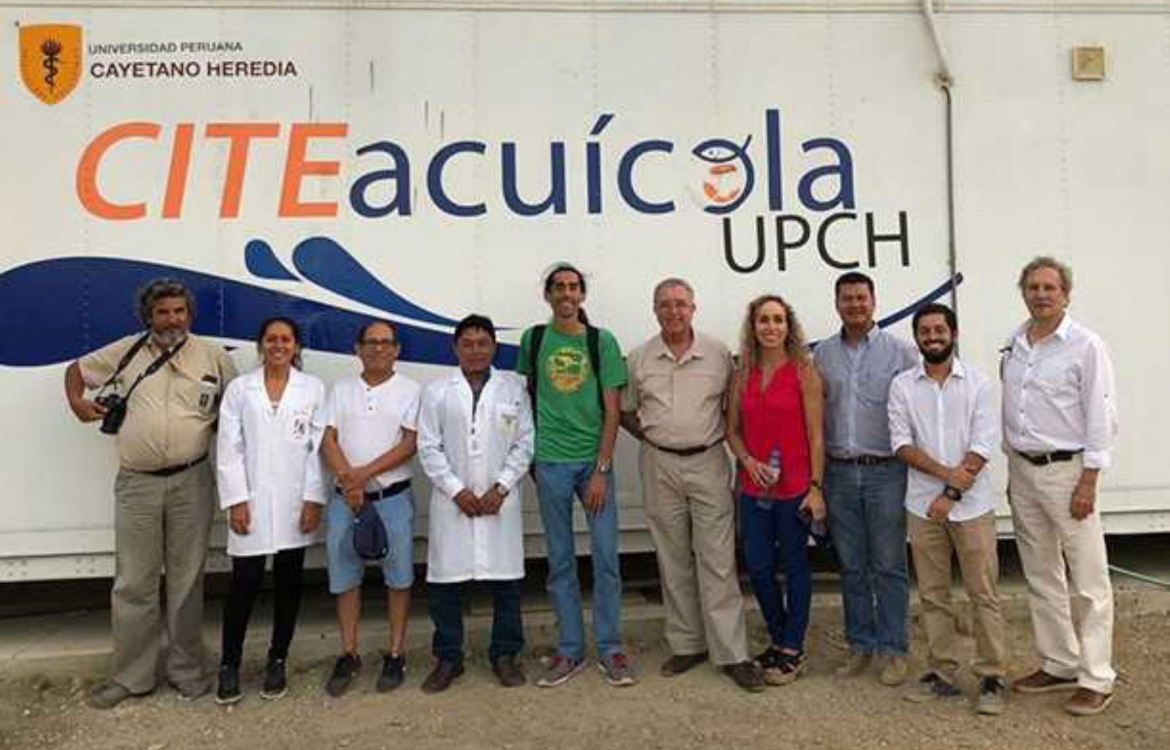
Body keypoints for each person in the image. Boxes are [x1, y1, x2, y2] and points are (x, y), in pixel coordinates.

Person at [63, 278, 237, 709]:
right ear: (149, 316)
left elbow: (234, 413)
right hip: (137, 483)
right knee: (133, 584)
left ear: (189, 315)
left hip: (192, 481)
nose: (172, 319)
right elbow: (76, 372)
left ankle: (186, 670)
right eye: (163, 312)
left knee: (186, 581)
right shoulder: (125, 351)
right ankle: (132, 677)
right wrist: (77, 402)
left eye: (179, 311)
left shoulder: (213, 357)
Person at [621, 279, 764, 692]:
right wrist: (654, 437)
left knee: (717, 560)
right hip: (659, 463)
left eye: (681, 304)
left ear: (693, 308)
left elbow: (733, 409)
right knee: (672, 557)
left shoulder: (717, 354)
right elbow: (627, 410)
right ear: (655, 310)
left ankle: (731, 653)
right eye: (665, 305)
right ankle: (688, 644)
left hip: (708, 462)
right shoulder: (639, 358)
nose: (674, 311)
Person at [1002, 257, 1118, 716]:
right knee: (1041, 572)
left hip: (1068, 473)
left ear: (1066, 294)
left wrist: (1089, 479)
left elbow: (1101, 415)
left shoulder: (1086, 346)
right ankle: (1059, 662)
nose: (1041, 294)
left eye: (1050, 287)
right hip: (1023, 471)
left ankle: (1097, 676)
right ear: (1023, 293)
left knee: (1089, 580)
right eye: (1033, 287)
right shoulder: (1017, 342)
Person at [516, 262, 634, 687]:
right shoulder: (533, 340)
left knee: (605, 559)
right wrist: (532, 459)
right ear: (547, 294)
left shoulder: (601, 341)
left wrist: (601, 469)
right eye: (559, 287)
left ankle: (611, 648)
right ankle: (569, 650)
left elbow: (613, 411)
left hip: (592, 465)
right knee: (560, 561)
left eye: (573, 287)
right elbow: (526, 401)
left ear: (582, 295)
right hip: (550, 463)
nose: (566, 294)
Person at [887, 303, 1008, 715]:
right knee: (933, 594)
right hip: (922, 508)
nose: (932, 336)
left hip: (972, 508)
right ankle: (942, 671)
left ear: (953, 334)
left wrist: (952, 493)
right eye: (925, 331)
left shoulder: (978, 383)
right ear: (917, 338)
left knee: (983, 592)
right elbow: (901, 444)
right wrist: (944, 477)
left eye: (939, 329)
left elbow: (982, 445)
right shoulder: (903, 386)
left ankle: (992, 675)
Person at [416, 315, 535, 693]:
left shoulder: (513, 389)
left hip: (500, 501)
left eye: (483, 343)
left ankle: (505, 655)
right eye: (467, 343)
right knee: (446, 586)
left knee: (507, 585)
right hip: (453, 503)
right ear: (455, 348)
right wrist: (457, 490)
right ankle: (448, 659)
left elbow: (525, 442)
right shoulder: (437, 391)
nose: (475, 350)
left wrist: (501, 487)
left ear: (494, 347)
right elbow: (428, 447)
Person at [213, 317, 327, 704]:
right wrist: (236, 500)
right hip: (252, 502)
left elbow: (317, 450)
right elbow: (229, 448)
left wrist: (313, 499)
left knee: (288, 584)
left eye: (286, 339)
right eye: (271, 339)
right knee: (243, 585)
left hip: (295, 503)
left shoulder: (312, 388)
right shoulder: (240, 389)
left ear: (296, 346)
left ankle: (277, 660)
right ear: (260, 344)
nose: (279, 345)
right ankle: (229, 664)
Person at [813, 271, 918, 686]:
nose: (855, 305)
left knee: (889, 565)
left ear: (874, 301)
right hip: (839, 472)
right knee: (852, 566)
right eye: (847, 298)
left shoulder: (901, 353)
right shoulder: (823, 354)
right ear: (836, 303)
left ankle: (893, 649)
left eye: (861, 297)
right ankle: (860, 645)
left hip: (886, 472)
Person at [725, 294, 826, 687]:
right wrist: (747, 461)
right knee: (759, 566)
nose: (771, 327)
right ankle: (780, 636)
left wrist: (815, 487)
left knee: (796, 565)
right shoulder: (741, 375)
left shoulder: (804, 372)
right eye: (764, 320)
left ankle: (792, 648)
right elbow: (731, 431)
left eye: (778, 320)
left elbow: (816, 435)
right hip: (754, 489)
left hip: (795, 487)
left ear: (789, 326)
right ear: (753, 327)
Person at [320, 320, 421, 697]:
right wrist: (349, 481)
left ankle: (395, 653)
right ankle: (349, 653)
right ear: (357, 348)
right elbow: (328, 438)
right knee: (345, 577)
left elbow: (409, 443)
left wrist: (362, 475)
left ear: (397, 349)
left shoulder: (411, 390)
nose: (378, 348)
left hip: (391, 498)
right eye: (371, 342)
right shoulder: (341, 389)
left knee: (399, 578)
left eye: (386, 342)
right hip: (345, 500)